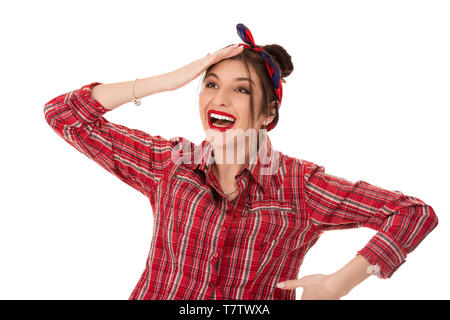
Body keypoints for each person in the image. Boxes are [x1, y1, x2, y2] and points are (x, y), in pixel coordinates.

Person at [43, 23, 438, 300]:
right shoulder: (171, 163)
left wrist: (341, 282)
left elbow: (413, 214)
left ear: (268, 113)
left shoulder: (300, 185)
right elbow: (63, 115)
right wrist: (168, 81)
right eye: (211, 85)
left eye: (240, 90)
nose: (219, 99)